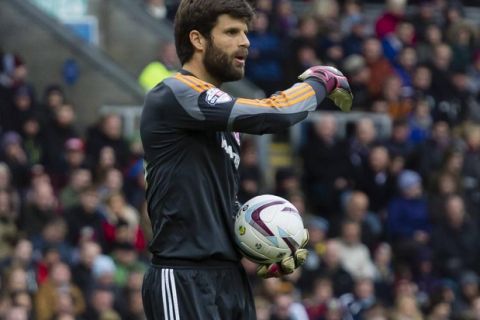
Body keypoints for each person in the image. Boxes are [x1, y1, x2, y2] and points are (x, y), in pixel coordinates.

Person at [140, 1, 353, 319]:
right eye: (231, 31)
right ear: (198, 40)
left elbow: (214, 205)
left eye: (246, 32)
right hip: (182, 274)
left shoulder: (223, 124)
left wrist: (268, 243)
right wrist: (321, 80)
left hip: (229, 278)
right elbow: (273, 114)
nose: (245, 41)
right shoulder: (174, 91)